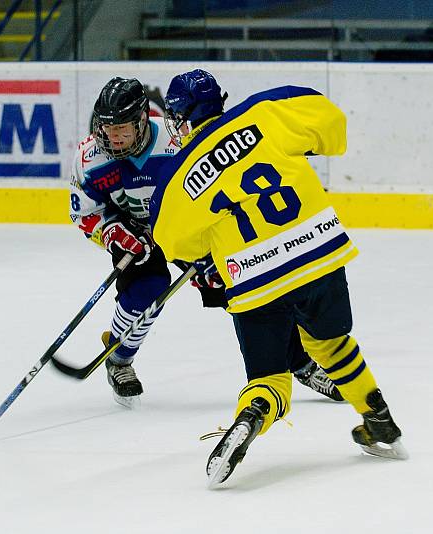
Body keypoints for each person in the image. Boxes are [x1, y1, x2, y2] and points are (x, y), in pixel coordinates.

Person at [150, 69, 407, 487]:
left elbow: (174, 242)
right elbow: (330, 122)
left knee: (268, 378)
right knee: (328, 343)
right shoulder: (267, 112)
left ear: (183, 118)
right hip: (317, 251)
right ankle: (379, 420)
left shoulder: (178, 175)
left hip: (252, 277)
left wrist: (209, 242)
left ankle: (251, 417)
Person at [69, 77, 342, 409]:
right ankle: (120, 358)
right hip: (134, 232)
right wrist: (116, 234)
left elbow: (210, 191)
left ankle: (301, 364)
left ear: (142, 119)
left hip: (185, 228)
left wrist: (205, 245)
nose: (112, 138)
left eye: (122, 128)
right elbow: (86, 212)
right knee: (148, 289)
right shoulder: (91, 157)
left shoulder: (175, 143)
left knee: (242, 290)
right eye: (107, 129)